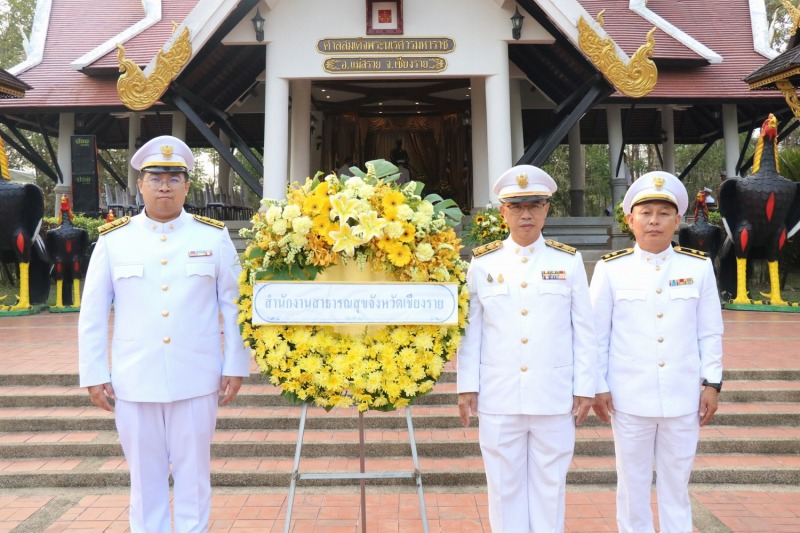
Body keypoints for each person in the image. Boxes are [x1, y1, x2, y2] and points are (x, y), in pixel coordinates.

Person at [78, 135, 251, 532]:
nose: (164, 186)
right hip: (134, 380)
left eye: (175, 178)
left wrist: (235, 364)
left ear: (187, 186)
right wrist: (94, 373)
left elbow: (234, 305)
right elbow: (92, 312)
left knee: (194, 479)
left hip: (197, 377)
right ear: (140, 184)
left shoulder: (212, 237)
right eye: (155, 177)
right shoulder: (114, 240)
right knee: (145, 481)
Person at [457, 165, 596, 532]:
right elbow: (472, 330)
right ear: (502, 212)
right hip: (499, 395)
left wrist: (585, 386)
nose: (526, 214)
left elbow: (584, 329)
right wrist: (466, 385)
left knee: (550, 487)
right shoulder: (483, 263)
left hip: (553, 396)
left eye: (535, 205)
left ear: (547, 209)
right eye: (517, 207)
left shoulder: (567, 261)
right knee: (503, 487)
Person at [589, 171, 724, 533]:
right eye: (645, 212)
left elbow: (709, 331)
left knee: (676, 486)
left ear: (678, 220)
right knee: (632, 487)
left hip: (682, 398)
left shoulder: (697, 267)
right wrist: (598, 385)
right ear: (630, 219)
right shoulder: (610, 269)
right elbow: (596, 335)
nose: (653, 220)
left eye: (663, 213)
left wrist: (712, 383)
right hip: (629, 397)